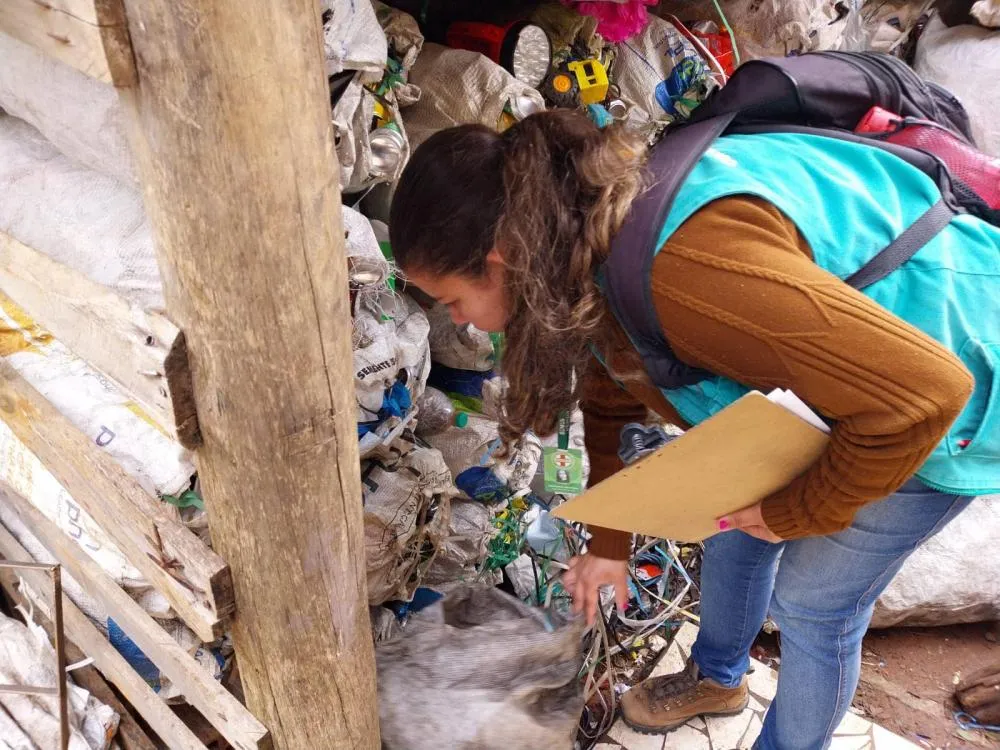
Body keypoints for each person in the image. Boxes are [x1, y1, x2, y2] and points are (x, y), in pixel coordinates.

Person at [388, 110, 1000, 750]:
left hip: (949, 390)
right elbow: (612, 386)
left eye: (454, 300)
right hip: (840, 386)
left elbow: (927, 395)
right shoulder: (582, 238)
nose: (466, 325)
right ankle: (718, 678)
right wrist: (609, 541)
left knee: (814, 605)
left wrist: (800, 509)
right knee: (734, 526)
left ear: (501, 260)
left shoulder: (683, 270)